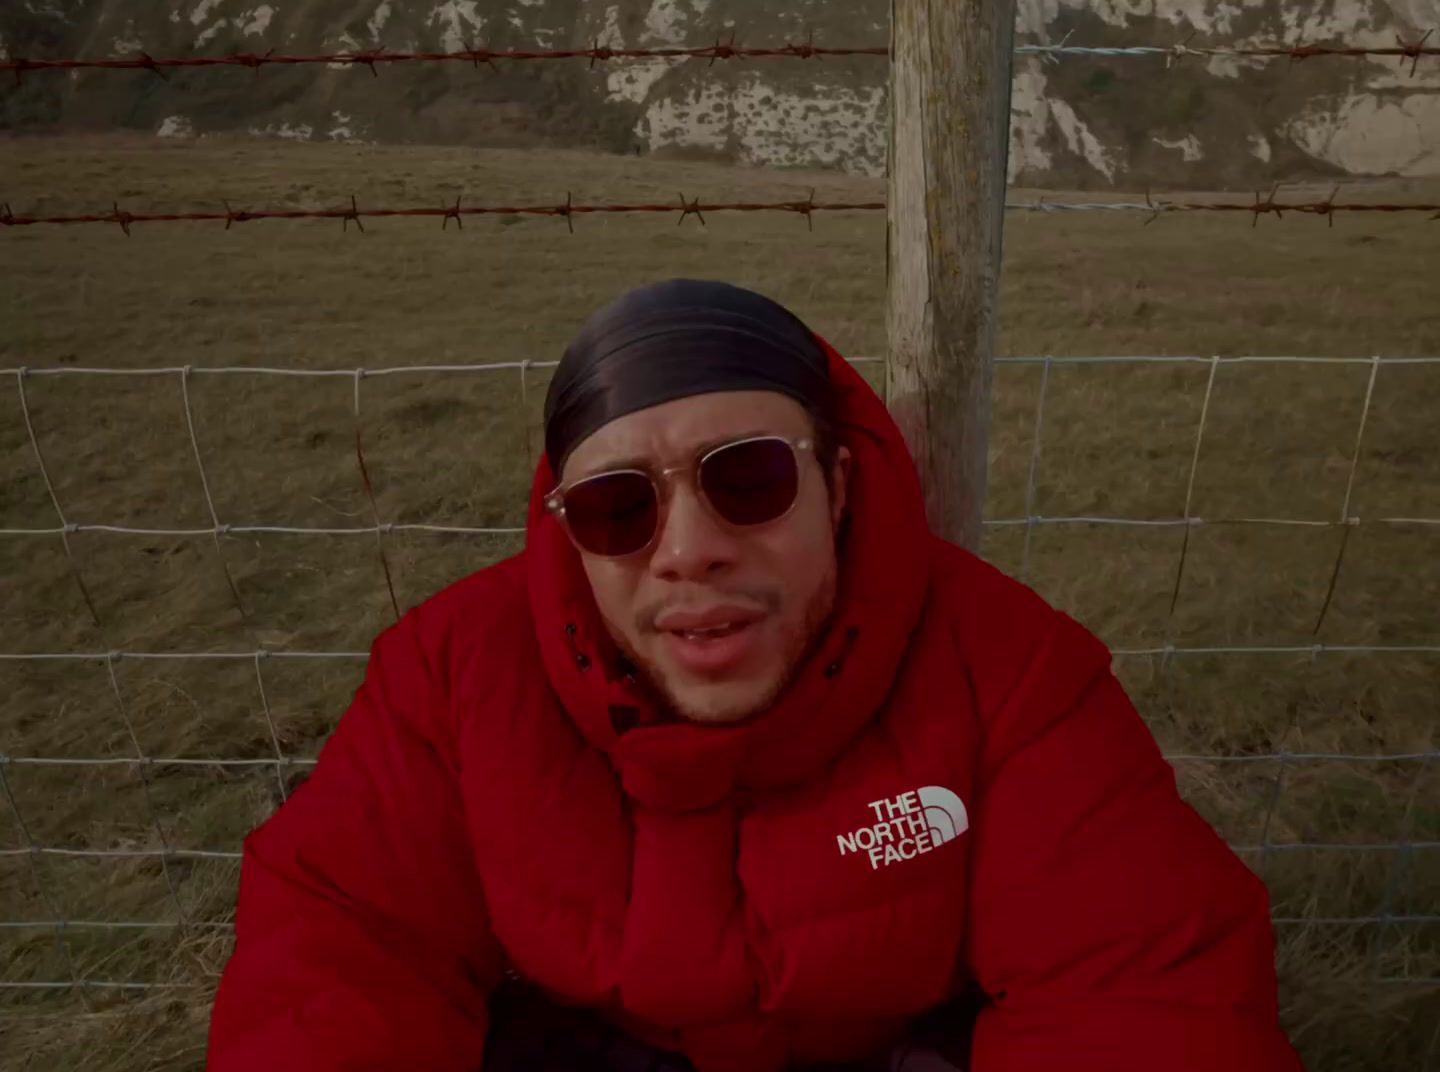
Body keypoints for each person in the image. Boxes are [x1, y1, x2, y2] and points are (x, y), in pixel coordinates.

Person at [208, 279, 1302, 1072]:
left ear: (835, 484)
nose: (687, 548)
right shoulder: (454, 673)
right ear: (566, 531)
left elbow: (1144, 996)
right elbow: (341, 959)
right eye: (616, 505)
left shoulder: (1006, 671)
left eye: (748, 479)